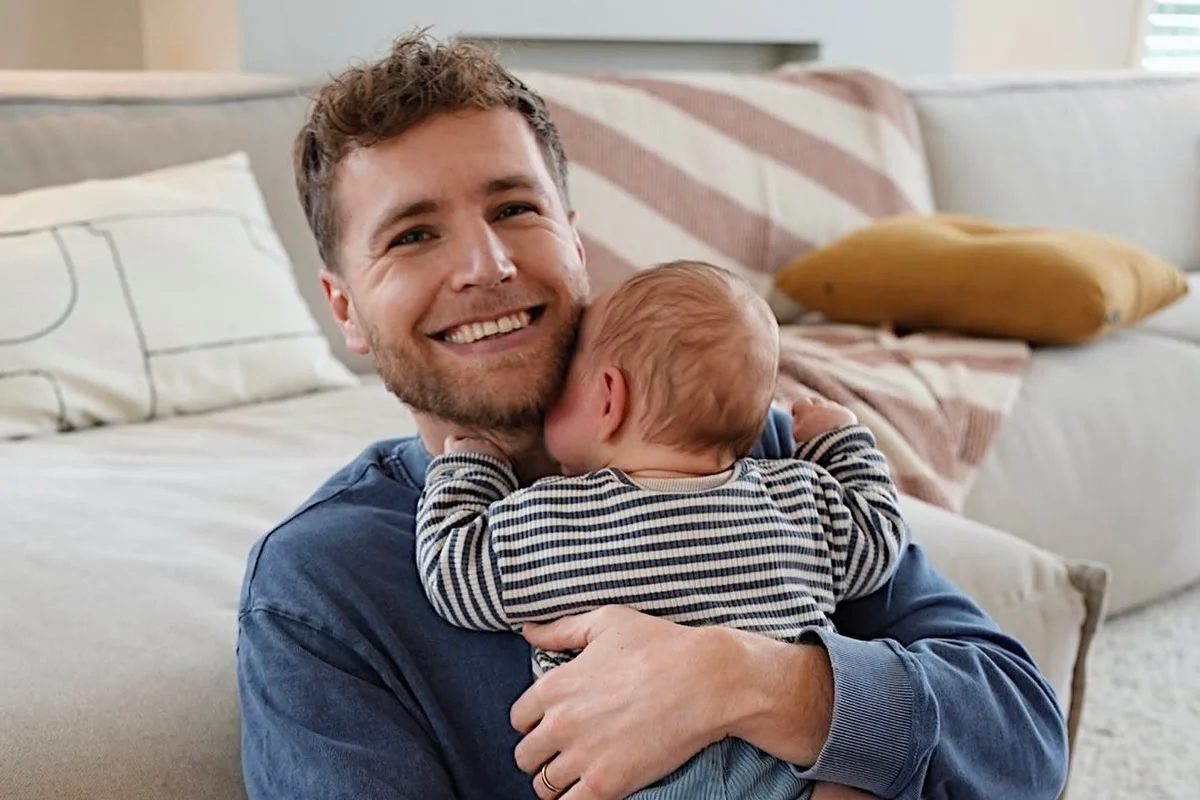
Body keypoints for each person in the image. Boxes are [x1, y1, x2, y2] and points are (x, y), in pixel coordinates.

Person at [235, 31, 1070, 800]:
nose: (485, 267)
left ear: (576, 242)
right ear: (346, 311)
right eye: (413, 235)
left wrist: (750, 679)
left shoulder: (757, 456)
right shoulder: (320, 589)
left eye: (515, 209)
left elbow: (1025, 748)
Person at [415, 259, 909, 800]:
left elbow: (454, 572)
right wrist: (839, 442)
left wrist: (468, 467)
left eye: (564, 377)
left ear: (609, 397)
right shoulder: (798, 497)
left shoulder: (555, 519)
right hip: (789, 777)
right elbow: (880, 538)